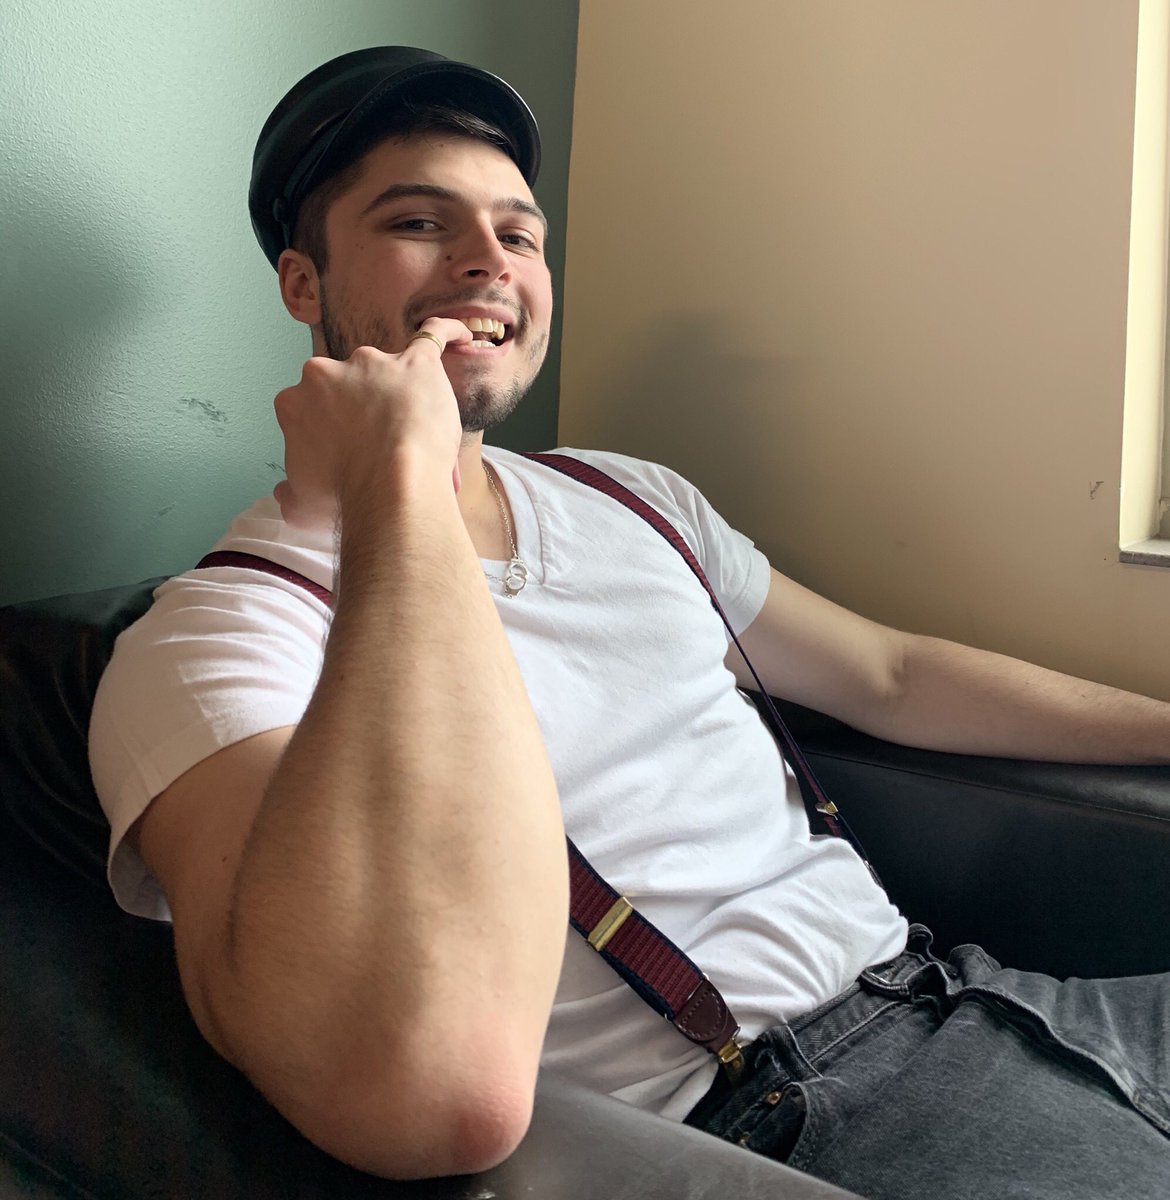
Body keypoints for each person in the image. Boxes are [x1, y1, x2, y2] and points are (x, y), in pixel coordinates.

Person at [88, 45, 1170, 1195]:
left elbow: (893, 676)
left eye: (519, 234)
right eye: (419, 222)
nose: (487, 261)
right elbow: (416, 1093)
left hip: (969, 997)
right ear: (304, 285)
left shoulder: (627, 496)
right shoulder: (211, 645)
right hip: (786, 1112)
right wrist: (398, 480)